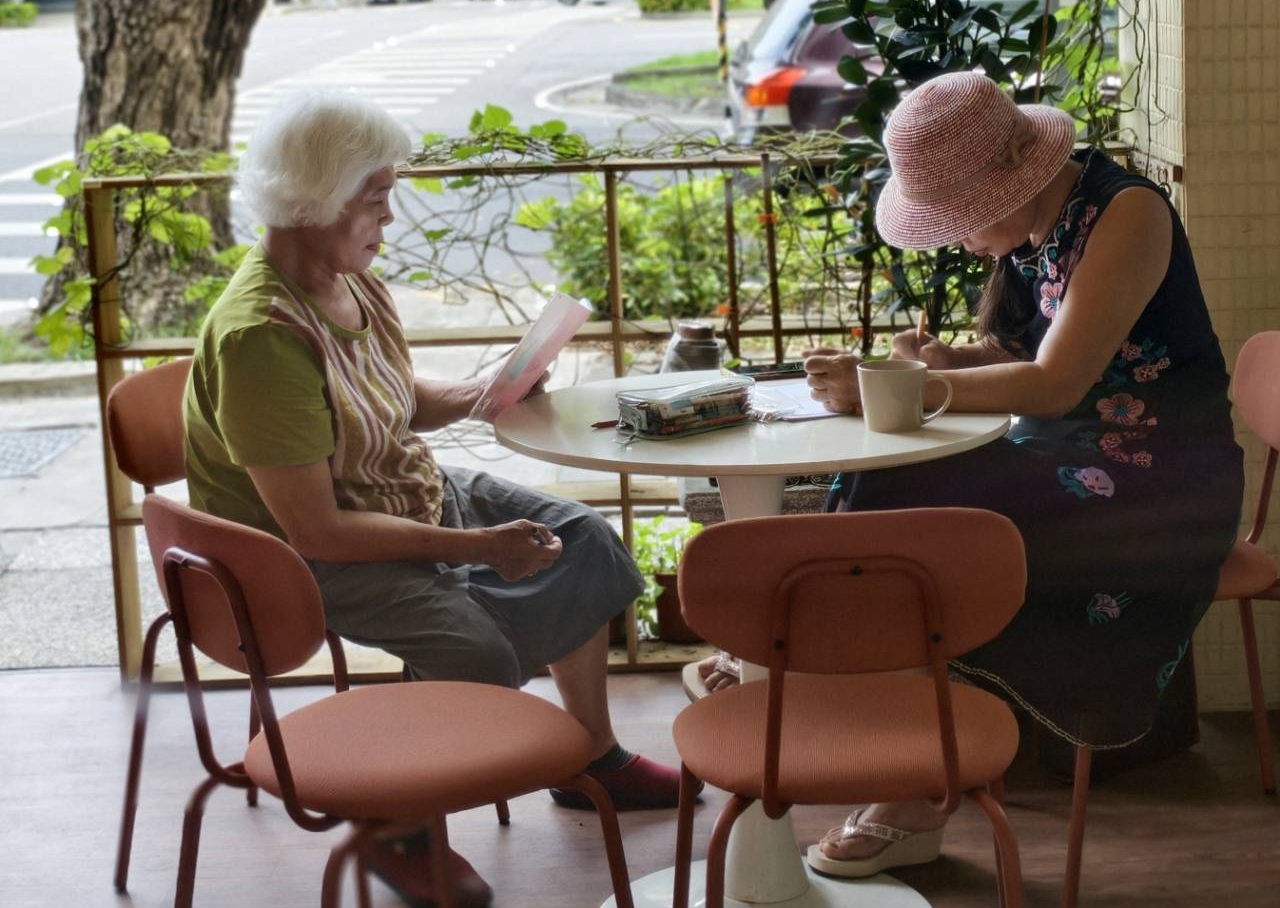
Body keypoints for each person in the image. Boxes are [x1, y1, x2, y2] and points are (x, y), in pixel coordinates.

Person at [708, 71, 1244, 880]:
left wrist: (908, 389)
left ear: (1011, 181)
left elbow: (1060, 382)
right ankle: (822, 682)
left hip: (1157, 482)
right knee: (890, 486)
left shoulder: (1127, 213)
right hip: (1069, 453)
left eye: (958, 221)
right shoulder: (1048, 221)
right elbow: (1030, 356)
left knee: (950, 535)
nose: (955, 241)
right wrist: (945, 362)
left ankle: (915, 780)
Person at [183, 90, 690, 907]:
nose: (389, 216)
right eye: (377, 197)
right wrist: (482, 550)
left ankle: (588, 755)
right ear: (318, 197)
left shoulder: (347, 279)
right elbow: (318, 529)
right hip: (296, 558)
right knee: (475, 649)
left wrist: (483, 390)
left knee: (584, 537)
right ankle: (399, 828)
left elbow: (385, 400)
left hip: (396, 493)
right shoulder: (262, 339)